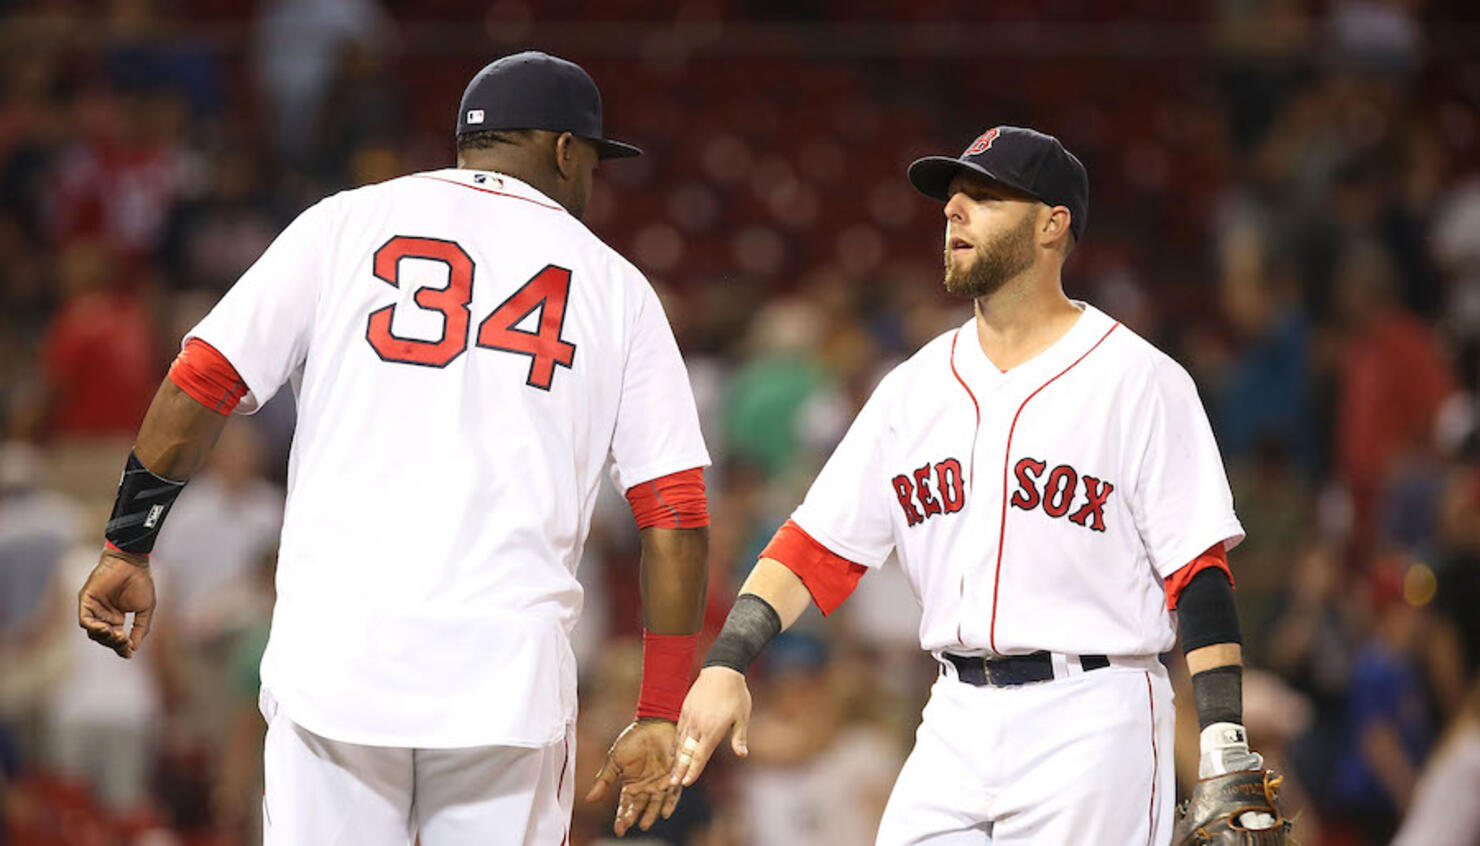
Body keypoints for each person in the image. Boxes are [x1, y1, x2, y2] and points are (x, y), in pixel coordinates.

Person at [76, 50, 711, 845]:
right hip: (504, 682)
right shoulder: (617, 287)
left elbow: (199, 382)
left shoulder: (344, 223)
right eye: (591, 159)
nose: (590, 179)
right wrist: (657, 707)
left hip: (337, 662)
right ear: (561, 150)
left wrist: (127, 546)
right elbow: (675, 512)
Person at [672, 126, 1268, 844]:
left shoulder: (1138, 380)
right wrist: (725, 664)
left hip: (1093, 715)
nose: (953, 210)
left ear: (1053, 225)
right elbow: (812, 547)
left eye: (984, 197)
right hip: (954, 713)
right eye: (951, 197)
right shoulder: (913, 388)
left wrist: (1222, 739)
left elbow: (1198, 572)